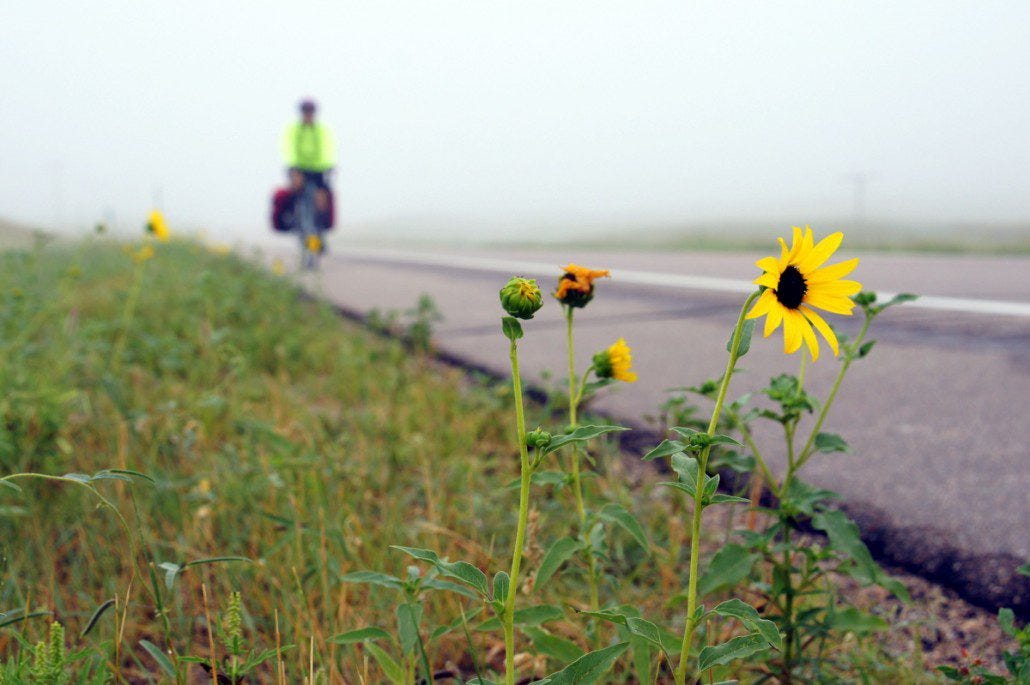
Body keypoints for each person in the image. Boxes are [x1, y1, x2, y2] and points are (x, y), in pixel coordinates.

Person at [280, 99, 336, 232]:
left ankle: (321, 226)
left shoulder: (321, 130)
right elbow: (289, 147)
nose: (308, 115)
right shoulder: (294, 129)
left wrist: (328, 165)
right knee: (296, 191)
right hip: (299, 168)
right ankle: (294, 217)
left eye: (310, 112)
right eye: (306, 111)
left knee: (321, 198)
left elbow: (328, 148)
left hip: (318, 169)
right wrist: (293, 166)